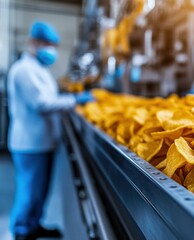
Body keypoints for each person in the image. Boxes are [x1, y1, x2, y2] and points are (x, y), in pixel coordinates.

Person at [7, 21, 94, 240]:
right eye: (47, 44)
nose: (51, 49)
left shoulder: (38, 69)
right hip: (29, 143)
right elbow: (42, 103)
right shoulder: (24, 70)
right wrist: (75, 100)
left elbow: (50, 98)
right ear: (33, 42)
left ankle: (34, 225)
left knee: (39, 192)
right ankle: (21, 231)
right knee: (28, 192)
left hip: (41, 141)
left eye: (53, 45)